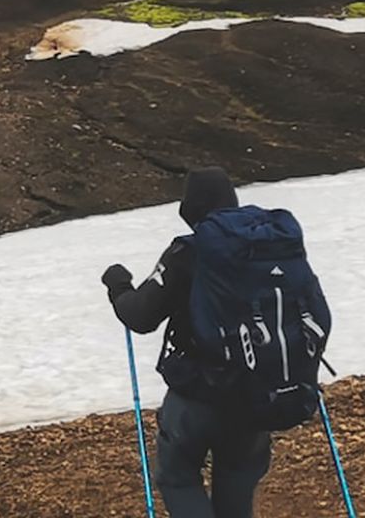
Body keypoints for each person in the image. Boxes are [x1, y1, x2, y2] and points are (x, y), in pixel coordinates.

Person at [106, 168, 277, 518]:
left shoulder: (187, 253)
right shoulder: (269, 245)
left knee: (179, 477)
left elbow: (140, 316)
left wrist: (118, 287)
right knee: (238, 476)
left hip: (198, 392)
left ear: (191, 208)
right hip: (256, 391)